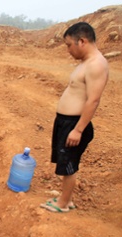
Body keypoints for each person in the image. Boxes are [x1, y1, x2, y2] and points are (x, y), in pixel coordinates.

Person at [40, 22, 109, 213]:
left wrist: (78, 129)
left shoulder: (97, 65)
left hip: (74, 124)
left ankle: (63, 204)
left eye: (69, 45)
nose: (68, 50)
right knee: (64, 162)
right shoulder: (86, 63)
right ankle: (66, 199)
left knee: (68, 164)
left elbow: (93, 100)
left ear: (82, 41)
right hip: (65, 122)